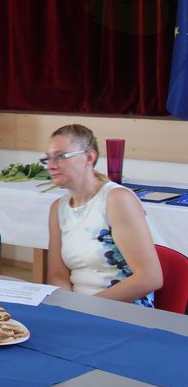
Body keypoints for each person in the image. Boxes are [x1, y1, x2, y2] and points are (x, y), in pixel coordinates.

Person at [45, 124, 161, 306]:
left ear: (89, 157)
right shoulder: (57, 208)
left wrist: (86, 308)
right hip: (79, 307)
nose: (51, 165)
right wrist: (66, 309)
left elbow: (149, 278)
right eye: (48, 158)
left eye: (61, 156)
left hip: (123, 308)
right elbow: (57, 275)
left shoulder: (116, 199)